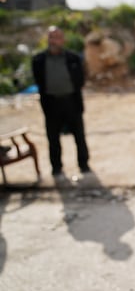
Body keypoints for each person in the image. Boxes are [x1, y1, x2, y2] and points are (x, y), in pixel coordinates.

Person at [32, 26, 90, 177]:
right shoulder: (38, 60)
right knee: (53, 139)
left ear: (63, 40)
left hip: (72, 102)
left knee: (79, 136)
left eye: (57, 37)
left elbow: (81, 79)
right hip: (51, 104)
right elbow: (39, 81)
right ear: (47, 39)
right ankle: (56, 168)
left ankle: (84, 165)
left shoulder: (73, 58)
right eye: (51, 37)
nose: (54, 40)